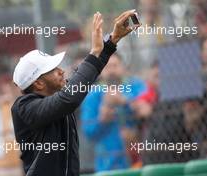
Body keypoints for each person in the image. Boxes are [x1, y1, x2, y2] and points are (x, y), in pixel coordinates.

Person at [11, 10, 140, 176]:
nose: (61, 71)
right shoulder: (24, 107)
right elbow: (68, 98)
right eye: (52, 70)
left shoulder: (56, 98)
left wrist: (112, 40)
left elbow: (78, 83)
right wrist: (94, 52)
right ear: (38, 83)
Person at [80, 53, 146, 171]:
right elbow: (88, 132)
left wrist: (124, 101)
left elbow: (146, 110)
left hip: (140, 159)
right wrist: (102, 120)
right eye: (107, 67)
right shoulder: (93, 95)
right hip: (107, 164)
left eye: (115, 65)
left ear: (123, 67)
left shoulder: (136, 86)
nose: (111, 70)